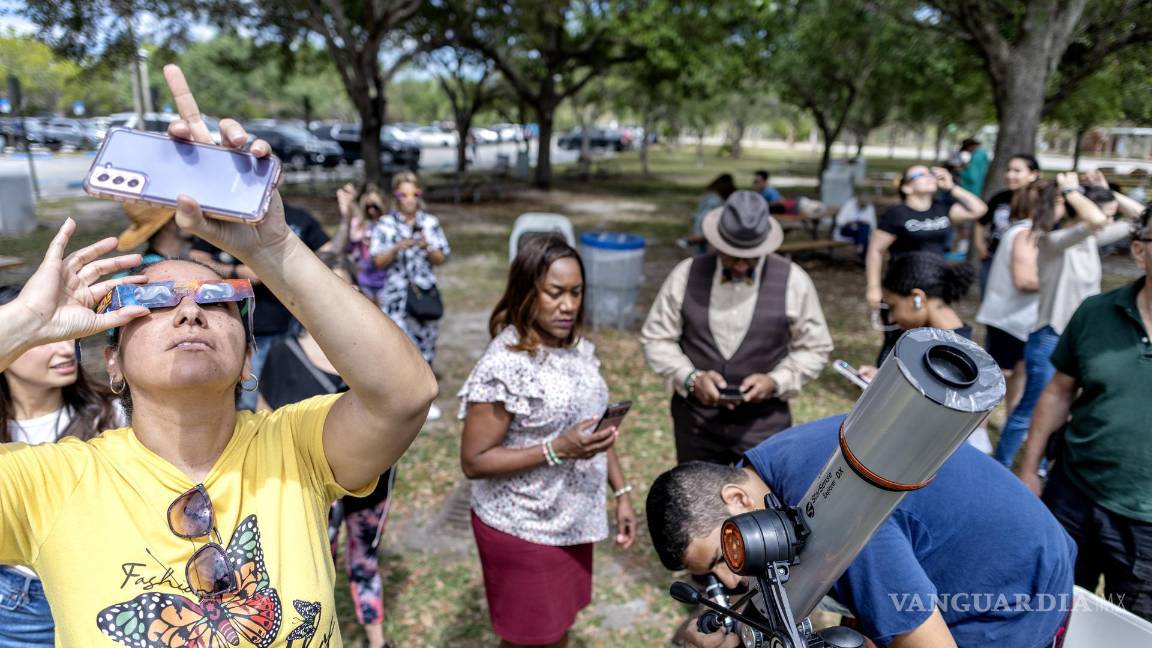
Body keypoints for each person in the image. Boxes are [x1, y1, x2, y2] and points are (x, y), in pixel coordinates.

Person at [0, 65, 437, 648]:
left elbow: (406, 395)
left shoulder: (297, 449)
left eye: (217, 299)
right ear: (113, 363)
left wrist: (275, 249)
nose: (188, 311)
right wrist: (22, 326)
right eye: (153, 300)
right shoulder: (49, 482)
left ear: (248, 357)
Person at [646, 415, 1076, 648]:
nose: (729, 581)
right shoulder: (765, 475)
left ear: (738, 500)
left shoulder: (842, 515)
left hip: (1010, 599)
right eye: (709, 575)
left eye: (722, 558)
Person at [459, 235, 636, 648]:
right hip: (522, 528)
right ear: (526, 292)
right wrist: (556, 449)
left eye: (576, 292)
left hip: (572, 521)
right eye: (555, 293)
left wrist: (622, 492)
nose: (569, 305)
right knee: (529, 637)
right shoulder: (504, 364)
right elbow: (474, 460)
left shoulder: (576, 348)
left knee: (558, 630)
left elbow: (595, 430)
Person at [1015, 207, 1152, 621]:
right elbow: (1058, 392)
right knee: (1051, 613)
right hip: (1073, 496)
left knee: (1133, 629)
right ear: (1140, 252)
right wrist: (1029, 468)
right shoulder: (1095, 312)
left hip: (1146, 523)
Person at [258, 256, 397, 648]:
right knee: (317, 566)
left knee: (365, 563)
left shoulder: (376, 357)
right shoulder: (284, 353)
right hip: (312, 492)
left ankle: (377, 641)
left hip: (373, 482)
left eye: (346, 291)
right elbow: (264, 424)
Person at [641, 191, 833, 465]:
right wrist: (690, 378)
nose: (742, 263)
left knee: (762, 503)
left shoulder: (794, 281)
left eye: (751, 256)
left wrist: (776, 381)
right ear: (718, 243)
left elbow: (815, 347)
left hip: (764, 426)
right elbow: (656, 338)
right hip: (697, 424)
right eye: (733, 255)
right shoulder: (686, 274)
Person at [0, 285, 124, 647]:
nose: (64, 348)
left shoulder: (112, 413)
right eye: (42, 338)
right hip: (16, 600)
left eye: (67, 335)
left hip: (99, 588)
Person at [993, 171, 1141, 467]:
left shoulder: (1089, 242)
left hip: (1085, 337)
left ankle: (1045, 467)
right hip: (1050, 337)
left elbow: (1141, 218)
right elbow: (1097, 221)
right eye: (1106, 213)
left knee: (1067, 409)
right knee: (1030, 409)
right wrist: (1073, 189)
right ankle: (1002, 466)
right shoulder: (1053, 241)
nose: (1109, 221)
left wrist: (1102, 190)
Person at [189, 200, 331, 411]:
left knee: (290, 399)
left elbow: (329, 253)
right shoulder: (226, 215)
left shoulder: (297, 219)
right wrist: (237, 272)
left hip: (291, 328)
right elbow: (196, 257)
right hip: (244, 327)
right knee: (247, 400)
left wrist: (291, 268)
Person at [855, 253, 990, 452]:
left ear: (917, 298)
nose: (891, 317)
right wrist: (883, 378)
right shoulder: (937, 342)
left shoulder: (951, 358)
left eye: (893, 306)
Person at [866, 165, 987, 362]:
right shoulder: (897, 214)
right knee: (898, 338)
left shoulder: (942, 208)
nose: (929, 176)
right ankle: (884, 378)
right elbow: (875, 250)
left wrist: (951, 187)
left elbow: (979, 209)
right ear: (906, 187)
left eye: (930, 173)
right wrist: (873, 287)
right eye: (920, 174)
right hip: (903, 285)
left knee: (936, 335)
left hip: (936, 282)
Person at [370, 170, 450, 420]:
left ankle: (423, 402)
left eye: (414, 193)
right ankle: (399, 403)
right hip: (396, 296)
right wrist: (397, 247)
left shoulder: (429, 223)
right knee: (398, 350)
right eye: (403, 194)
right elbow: (378, 261)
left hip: (423, 293)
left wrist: (427, 246)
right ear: (396, 196)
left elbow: (442, 258)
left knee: (425, 348)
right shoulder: (386, 224)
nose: (409, 199)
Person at [975, 186, 1039, 421]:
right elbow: (1024, 280)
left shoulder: (1031, 232)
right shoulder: (1024, 233)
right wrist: (1059, 280)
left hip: (1022, 319)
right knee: (997, 376)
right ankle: (975, 428)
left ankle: (1013, 419)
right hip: (1007, 318)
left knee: (1019, 373)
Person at [974, 154, 1041, 294]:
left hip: (1028, 261)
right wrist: (981, 247)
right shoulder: (1000, 198)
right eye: (1009, 170)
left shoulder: (1041, 201)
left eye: (1017, 171)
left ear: (1033, 174)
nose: (1010, 175)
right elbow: (981, 222)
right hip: (994, 258)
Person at [335, 183, 389, 308]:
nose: (371, 210)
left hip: (384, 279)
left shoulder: (389, 225)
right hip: (364, 279)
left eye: (375, 206)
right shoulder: (360, 226)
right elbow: (348, 247)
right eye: (368, 206)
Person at [115, 202, 192, 264]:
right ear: (168, 223)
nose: (194, 220)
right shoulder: (161, 269)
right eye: (184, 214)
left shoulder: (147, 264)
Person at [681, 174, 737, 253]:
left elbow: (699, 215)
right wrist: (700, 235)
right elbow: (704, 216)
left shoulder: (711, 195)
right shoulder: (715, 200)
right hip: (705, 233)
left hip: (703, 232)